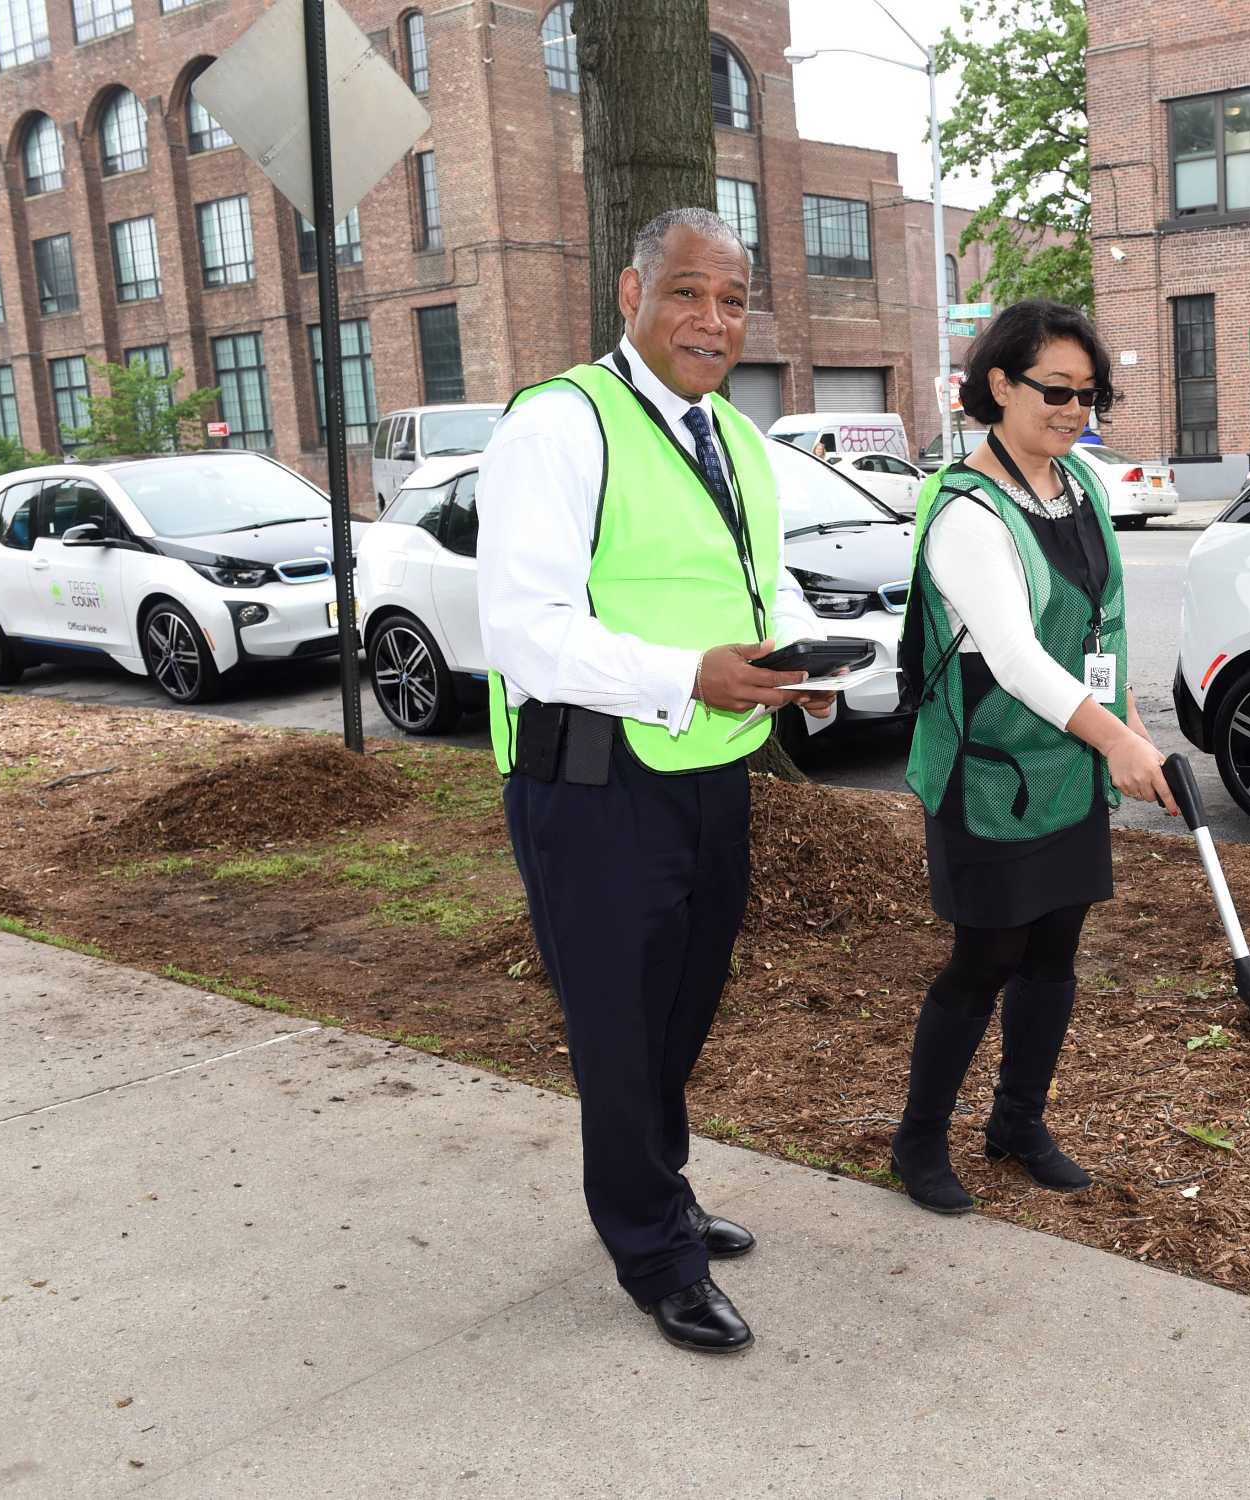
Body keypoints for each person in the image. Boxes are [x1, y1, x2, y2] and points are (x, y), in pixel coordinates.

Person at [475, 207, 833, 1355]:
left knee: (680, 1010)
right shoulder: (559, 424)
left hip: (709, 767)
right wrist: (689, 675)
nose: (712, 320)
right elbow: (522, 631)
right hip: (593, 780)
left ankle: (656, 1190)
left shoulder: (735, 437)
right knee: (619, 1030)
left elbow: (757, 586)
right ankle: (653, 1253)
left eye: (732, 299)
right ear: (630, 295)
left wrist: (802, 666)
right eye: (687, 292)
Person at [892, 300, 1178, 1214]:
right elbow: (1014, 659)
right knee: (984, 959)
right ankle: (918, 1139)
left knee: (1055, 953)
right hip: (987, 770)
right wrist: (1115, 740)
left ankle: (1017, 1123)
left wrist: (1130, 726)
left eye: (1088, 395)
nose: (1074, 411)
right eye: (1055, 391)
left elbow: (1101, 627)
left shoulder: (1079, 484)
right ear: (1000, 385)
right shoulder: (967, 511)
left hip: (1066, 765)